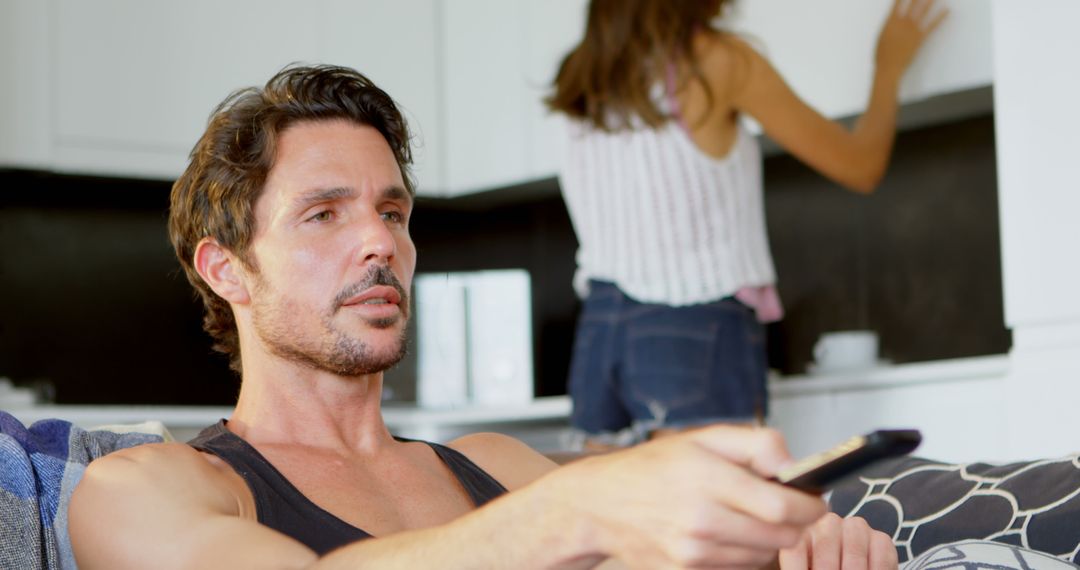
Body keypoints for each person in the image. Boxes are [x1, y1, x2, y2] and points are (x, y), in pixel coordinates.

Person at [68, 64, 898, 569]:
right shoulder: (146, 488)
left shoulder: (495, 467)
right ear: (227, 271)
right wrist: (572, 511)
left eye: (392, 213)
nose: (378, 243)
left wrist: (787, 547)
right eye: (324, 215)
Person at [547, 0, 947, 448]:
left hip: (601, 335)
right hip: (693, 327)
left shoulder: (579, 78)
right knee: (721, 510)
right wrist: (888, 65)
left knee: (613, 513)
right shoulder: (716, 62)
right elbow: (860, 165)